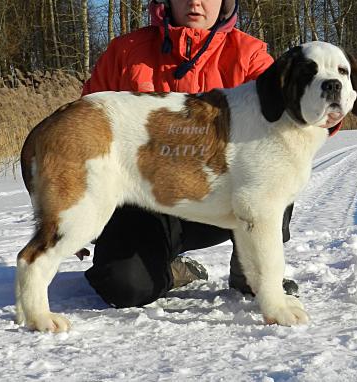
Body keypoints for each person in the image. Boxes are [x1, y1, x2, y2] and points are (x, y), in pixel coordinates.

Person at [81, 0, 297, 308]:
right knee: (124, 286)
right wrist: (74, 206)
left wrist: (331, 112)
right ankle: (172, 271)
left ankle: (251, 272)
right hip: (142, 200)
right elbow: (86, 129)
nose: (195, 2)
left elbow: (291, 116)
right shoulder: (125, 52)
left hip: (222, 200)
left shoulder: (249, 55)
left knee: (274, 171)